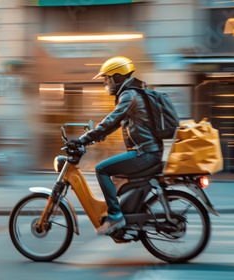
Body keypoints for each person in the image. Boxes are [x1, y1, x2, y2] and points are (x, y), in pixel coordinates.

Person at [69, 56, 163, 235]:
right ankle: (124, 213)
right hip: (148, 152)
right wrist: (95, 137)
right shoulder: (133, 93)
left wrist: (82, 139)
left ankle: (115, 216)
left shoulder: (129, 95)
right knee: (115, 176)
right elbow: (113, 125)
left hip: (145, 154)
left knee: (102, 169)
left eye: (106, 79)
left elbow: (110, 121)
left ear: (117, 77)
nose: (105, 83)